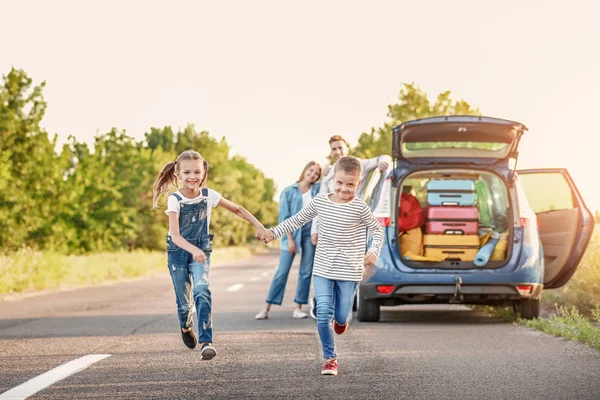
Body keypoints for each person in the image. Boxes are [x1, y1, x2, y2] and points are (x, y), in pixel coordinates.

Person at [260, 156, 384, 376]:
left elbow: (377, 230)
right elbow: (296, 220)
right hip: (323, 268)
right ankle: (330, 358)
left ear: (358, 184)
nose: (344, 189)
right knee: (323, 311)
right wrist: (273, 232)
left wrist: (373, 251)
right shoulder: (320, 202)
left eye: (350, 185)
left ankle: (341, 320)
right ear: (332, 180)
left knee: (342, 315)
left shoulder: (360, 208)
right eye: (339, 183)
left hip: (349, 270)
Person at [152, 149, 266, 360]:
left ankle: (206, 342)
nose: (192, 177)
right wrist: (193, 250)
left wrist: (258, 225)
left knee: (202, 290)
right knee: (185, 304)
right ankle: (186, 327)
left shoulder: (209, 196)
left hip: (201, 252)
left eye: (196, 172)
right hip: (178, 253)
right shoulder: (174, 200)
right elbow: (175, 236)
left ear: (203, 172)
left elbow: (238, 209)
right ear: (178, 175)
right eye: (187, 173)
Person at [308, 135, 391, 318]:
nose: (338, 151)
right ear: (331, 152)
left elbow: (381, 158)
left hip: (354, 228)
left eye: (340, 147)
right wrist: (315, 229)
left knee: (351, 267)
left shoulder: (360, 164)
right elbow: (319, 203)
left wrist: (384, 161)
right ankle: (320, 302)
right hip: (330, 227)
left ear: (347, 148)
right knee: (326, 266)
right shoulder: (329, 174)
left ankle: (344, 303)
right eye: (334, 149)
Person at [255, 161, 322, 320]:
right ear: (305, 169)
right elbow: (284, 217)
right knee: (282, 272)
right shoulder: (289, 191)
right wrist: (290, 240)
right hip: (291, 233)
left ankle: (298, 308)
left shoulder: (318, 190)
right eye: (311, 170)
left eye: (317, 173)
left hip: (310, 233)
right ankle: (266, 308)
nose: (313, 174)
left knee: (306, 271)